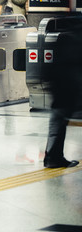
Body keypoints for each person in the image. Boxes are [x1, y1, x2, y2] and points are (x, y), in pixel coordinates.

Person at [42, 27, 81, 168]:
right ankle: (53, 157)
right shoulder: (75, 40)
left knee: (56, 123)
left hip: (58, 87)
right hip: (67, 88)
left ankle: (53, 156)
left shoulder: (64, 38)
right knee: (58, 124)